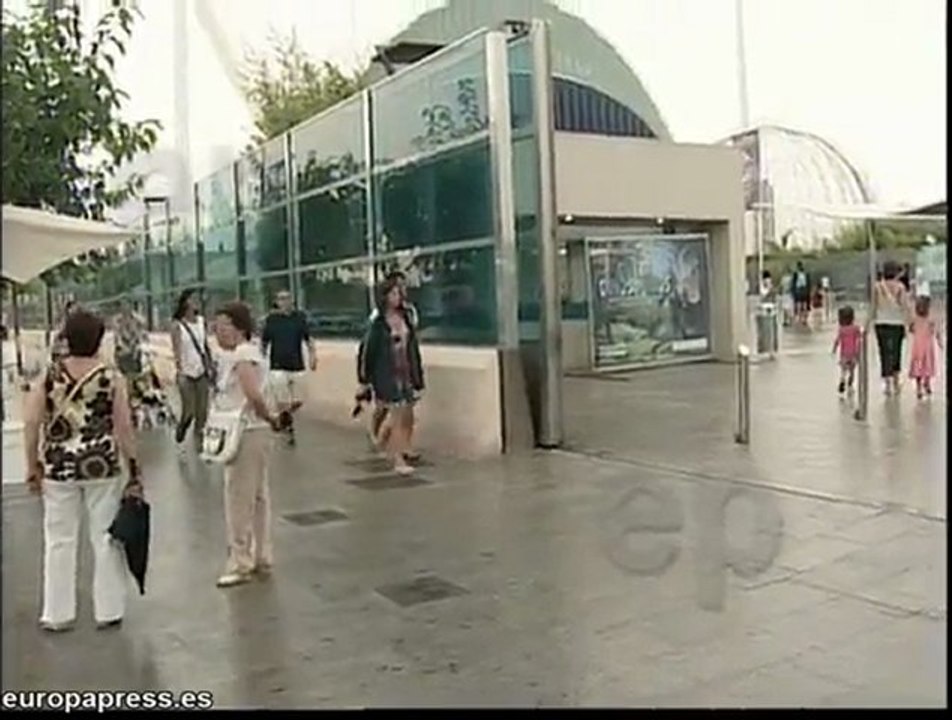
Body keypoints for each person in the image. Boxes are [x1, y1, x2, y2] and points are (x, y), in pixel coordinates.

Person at [22, 310, 143, 632]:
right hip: (101, 464)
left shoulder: (48, 377)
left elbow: (32, 421)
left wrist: (31, 462)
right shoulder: (111, 377)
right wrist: (134, 467)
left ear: (67, 338)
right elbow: (123, 426)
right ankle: (109, 610)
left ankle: (57, 613)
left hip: (59, 466)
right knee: (105, 536)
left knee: (59, 538)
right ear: (99, 340)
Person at [211, 302, 288, 588]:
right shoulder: (250, 351)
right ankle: (261, 553)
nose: (219, 332)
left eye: (224, 326)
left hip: (245, 430)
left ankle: (239, 559)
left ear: (239, 327)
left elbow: (252, 392)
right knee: (257, 495)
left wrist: (268, 415)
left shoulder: (243, 354)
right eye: (216, 326)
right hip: (255, 431)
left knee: (238, 496)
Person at [359, 276, 425, 476]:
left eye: (399, 293)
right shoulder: (378, 323)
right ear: (385, 297)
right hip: (386, 374)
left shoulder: (406, 317)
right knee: (395, 415)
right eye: (393, 293)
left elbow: (413, 349)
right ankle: (397, 459)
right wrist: (364, 380)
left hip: (405, 372)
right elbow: (368, 352)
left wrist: (418, 377)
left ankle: (385, 444)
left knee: (406, 415)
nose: (398, 297)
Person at [261, 289, 316, 446]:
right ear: (277, 302)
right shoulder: (272, 319)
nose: (285, 302)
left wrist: (313, 356)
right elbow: (264, 342)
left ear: (292, 301)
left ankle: (281, 419)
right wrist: (260, 360)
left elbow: (308, 338)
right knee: (283, 401)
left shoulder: (299, 318)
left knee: (298, 400)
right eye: (281, 299)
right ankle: (288, 428)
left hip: (296, 364)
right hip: (277, 366)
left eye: (287, 299)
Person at [171, 289, 212, 455]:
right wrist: (180, 370)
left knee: (202, 411)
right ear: (186, 302)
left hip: (201, 371)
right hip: (186, 374)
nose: (197, 302)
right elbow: (177, 350)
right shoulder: (177, 325)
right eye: (193, 299)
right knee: (189, 411)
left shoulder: (202, 322)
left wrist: (210, 364)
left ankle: (199, 443)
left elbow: (205, 345)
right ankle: (181, 432)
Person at [871, 260, 912, 396]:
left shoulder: (877, 287)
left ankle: (887, 384)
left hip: (881, 323)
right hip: (897, 323)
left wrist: (868, 323)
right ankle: (896, 381)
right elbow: (905, 307)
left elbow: (873, 307)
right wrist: (909, 323)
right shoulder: (900, 287)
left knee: (884, 352)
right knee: (896, 352)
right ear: (895, 272)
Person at [908, 296, 942, 400]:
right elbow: (936, 332)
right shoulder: (930, 320)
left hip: (917, 347)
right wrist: (940, 342)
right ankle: (927, 384)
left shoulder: (915, 320)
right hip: (928, 347)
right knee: (928, 367)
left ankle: (919, 388)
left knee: (918, 368)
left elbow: (911, 330)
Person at [832, 305, 861, 396]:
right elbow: (860, 339)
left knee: (843, 370)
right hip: (854, 353)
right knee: (852, 371)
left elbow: (837, 340)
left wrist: (834, 349)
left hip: (844, 354)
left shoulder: (842, 330)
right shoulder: (855, 328)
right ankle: (850, 385)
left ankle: (842, 379)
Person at [791, 261, 811, 326]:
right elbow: (808, 283)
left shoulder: (796, 274)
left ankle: (801, 319)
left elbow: (793, 284)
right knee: (803, 305)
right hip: (803, 290)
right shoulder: (805, 274)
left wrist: (793, 292)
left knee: (801, 305)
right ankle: (803, 319)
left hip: (800, 290)